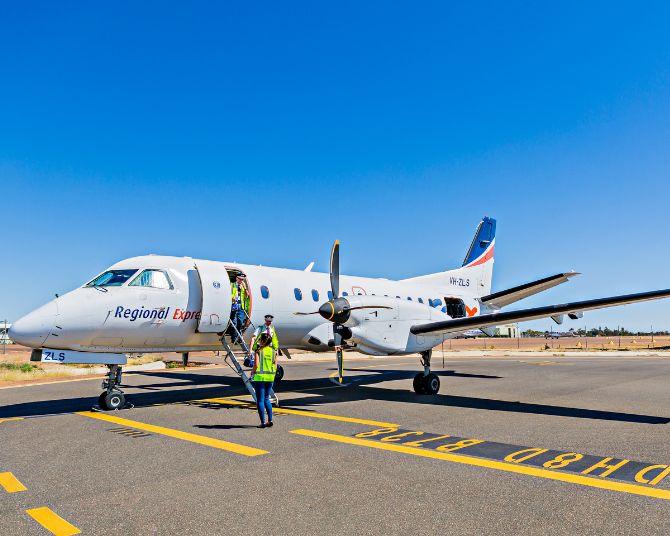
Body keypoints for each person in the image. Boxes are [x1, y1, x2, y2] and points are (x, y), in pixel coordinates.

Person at [251, 332, 277, 428]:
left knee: (260, 400)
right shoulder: (274, 351)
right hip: (270, 378)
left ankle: (262, 422)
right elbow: (275, 364)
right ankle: (270, 420)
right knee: (267, 399)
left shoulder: (259, 351)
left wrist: (252, 372)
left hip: (260, 378)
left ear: (262, 341)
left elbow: (256, 364)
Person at [230, 275, 249, 343]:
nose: (241, 281)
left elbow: (247, 296)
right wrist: (232, 297)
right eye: (240, 279)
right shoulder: (232, 285)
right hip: (234, 306)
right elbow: (229, 294)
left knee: (240, 323)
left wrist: (245, 289)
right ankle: (234, 338)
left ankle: (238, 336)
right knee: (234, 323)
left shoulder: (243, 287)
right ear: (236, 278)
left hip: (241, 307)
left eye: (242, 279)